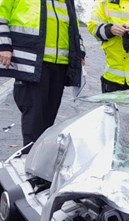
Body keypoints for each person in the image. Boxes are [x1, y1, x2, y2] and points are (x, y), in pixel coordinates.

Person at [0, 0, 85, 150]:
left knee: (48, 121)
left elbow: (73, 27)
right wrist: (4, 45)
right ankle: (29, 157)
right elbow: (1, 16)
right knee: (34, 119)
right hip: (32, 63)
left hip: (59, 65)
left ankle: (40, 159)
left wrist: (80, 52)